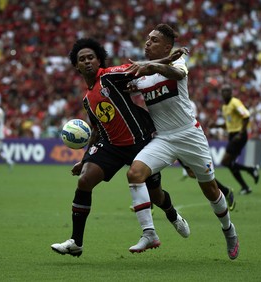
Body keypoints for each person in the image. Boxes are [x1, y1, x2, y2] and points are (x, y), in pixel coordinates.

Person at [51, 38, 190, 257]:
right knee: (84, 180)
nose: (87, 62)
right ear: (76, 66)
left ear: (98, 60)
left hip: (139, 142)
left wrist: (167, 59)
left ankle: (172, 214)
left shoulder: (108, 76)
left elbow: (138, 68)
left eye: (91, 57)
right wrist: (85, 159)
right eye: (82, 59)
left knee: (157, 197)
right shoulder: (88, 99)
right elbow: (96, 130)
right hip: (112, 146)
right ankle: (76, 242)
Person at [125, 23, 239, 260]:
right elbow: (126, 87)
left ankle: (229, 230)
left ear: (167, 47)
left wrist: (152, 66)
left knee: (209, 188)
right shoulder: (142, 75)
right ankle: (149, 233)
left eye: (154, 40)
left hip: (189, 135)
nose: (147, 42)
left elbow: (176, 74)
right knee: (135, 173)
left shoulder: (176, 64)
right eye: (147, 39)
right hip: (164, 139)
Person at [212, 84, 259, 195]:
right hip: (233, 135)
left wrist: (241, 132)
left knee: (225, 162)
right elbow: (228, 124)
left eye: (227, 91)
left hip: (239, 135)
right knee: (229, 163)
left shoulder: (235, 102)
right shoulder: (224, 107)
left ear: (231, 92)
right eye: (223, 91)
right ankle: (246, 185)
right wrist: (216, 126)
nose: (225, 93)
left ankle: (251, 170)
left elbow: (246, 116)